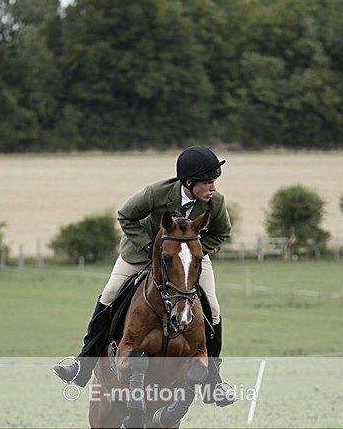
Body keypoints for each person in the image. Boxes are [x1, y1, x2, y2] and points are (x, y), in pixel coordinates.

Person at [53, 145, 235, 406]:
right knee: (110, 294)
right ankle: (82, 364)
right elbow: (125, 215)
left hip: (186, 260)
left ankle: (214, 382)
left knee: (213, 309)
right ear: (189, 181)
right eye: (207, 182)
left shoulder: (215, 203)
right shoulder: (156, 193)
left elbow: (221, 233)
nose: (213, 188)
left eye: (214, 182)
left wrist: (191, 252)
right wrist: (150, 248)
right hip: (141, 253)